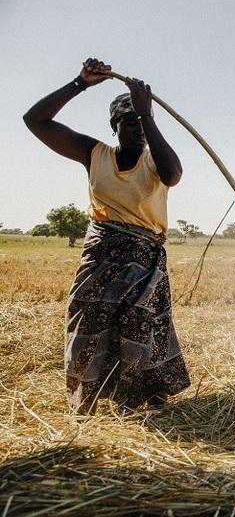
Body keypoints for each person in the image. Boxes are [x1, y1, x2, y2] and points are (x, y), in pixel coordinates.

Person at [23, 58, 190, 413]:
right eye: (130, 122)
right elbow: (34, 120)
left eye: (142, 122)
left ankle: (140, 401)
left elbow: (173, 174)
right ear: (114, 125)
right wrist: (80, 83)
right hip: (100, 258)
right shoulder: (93, 154)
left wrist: (147, 114)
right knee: (88, 325)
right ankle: (90, 404)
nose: (138, 129)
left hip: (143, 264)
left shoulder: (156, 161)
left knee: (138, 329)